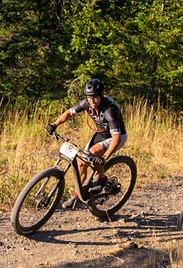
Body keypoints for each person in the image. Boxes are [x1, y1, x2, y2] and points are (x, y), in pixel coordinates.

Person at [45, 77, 127, 208]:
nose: (91, 101)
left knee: (93, 153)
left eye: (94, 97)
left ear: (101, 96)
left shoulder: (110, 111)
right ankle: (78, 195)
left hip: (117, 137)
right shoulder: (86, 103)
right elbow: (69, 113)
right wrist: (54, 124)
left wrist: (105, 158)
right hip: (101, 134)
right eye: (89, 98)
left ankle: (102, 177)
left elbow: (116, 138)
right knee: (82, 163)